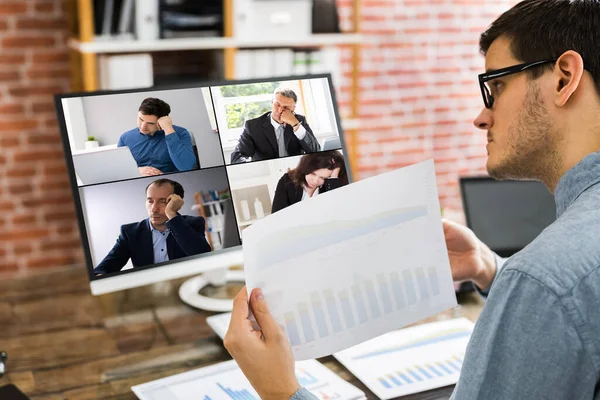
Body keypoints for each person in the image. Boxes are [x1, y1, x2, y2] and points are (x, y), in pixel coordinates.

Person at [223, 1, 600, 399]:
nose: (481, 116)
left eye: (496, 86)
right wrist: (493, 270)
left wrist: (281, 390)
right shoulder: (555, 277)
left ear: (563, 79)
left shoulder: (545, 280)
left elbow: (557, 289)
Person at [93, 178, 211, 276]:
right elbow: (103, 269)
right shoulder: (130, 233)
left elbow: (204, 256)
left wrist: (171, 214)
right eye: (150, 201)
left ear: (176, 203)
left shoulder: (193, 223)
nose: (154, 209)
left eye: (162, 201)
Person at [230, 87, 321, 164]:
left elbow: (316, 151)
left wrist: (296, 125)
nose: (280, 110)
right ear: (272, 102)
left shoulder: (300, 121)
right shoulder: (252, 126)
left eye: (286, 107)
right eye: (277, 104)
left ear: (293, 109)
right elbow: (237, 157)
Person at [118, 97, 197, 177]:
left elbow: (186, 167)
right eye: (141, 119)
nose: (143, 126)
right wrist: (137, 170)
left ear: (161, 121)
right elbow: (119, 170)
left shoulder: (181, 133)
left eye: (150, 123)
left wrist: (168, 129)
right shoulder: (125, 138)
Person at [271, 150, 347, 213]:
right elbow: (277, 214)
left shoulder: (330, 185)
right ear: (306, 167)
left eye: (323, 178)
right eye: (313, 173)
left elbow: (336, 211)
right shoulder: (287, 181)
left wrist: (333, 178)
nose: (315, 180)